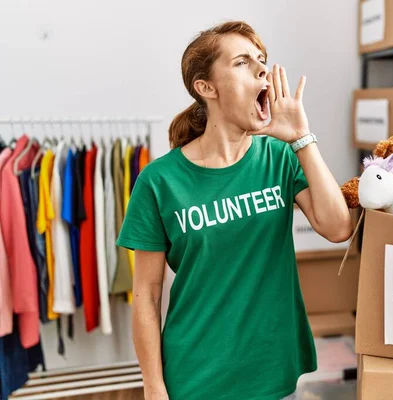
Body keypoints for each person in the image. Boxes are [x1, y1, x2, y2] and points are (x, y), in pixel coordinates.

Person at [116, 20, 353, 400]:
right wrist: (153, 385)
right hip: (194, 374)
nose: (262, 68)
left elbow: (338, 228)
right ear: (206, 88)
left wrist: (301, 138)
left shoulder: (280, 158)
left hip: (272, 367)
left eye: (262, 60)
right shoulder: (158, 181)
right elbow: (147, 292)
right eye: (243, 62)